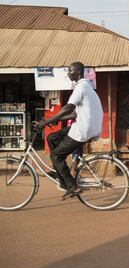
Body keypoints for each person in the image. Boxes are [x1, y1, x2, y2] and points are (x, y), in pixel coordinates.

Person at [35, 62, 103, 200]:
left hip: (82, 130)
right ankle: (61, 174)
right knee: (52, 138)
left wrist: (46, 122)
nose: (68, 73)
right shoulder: (87, 87)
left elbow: (68, 108)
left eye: (70, 71)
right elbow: (73, 114)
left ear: (77, 72)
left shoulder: (81, 87)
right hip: (84, 126)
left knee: (56, 157)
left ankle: (72, 186)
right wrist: (56, 120)